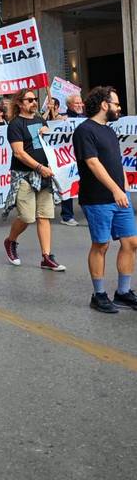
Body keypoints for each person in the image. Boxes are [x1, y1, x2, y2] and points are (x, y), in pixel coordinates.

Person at [72, 86, 137, 314]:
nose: (119, 108)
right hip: (98, 198)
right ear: (104, 105)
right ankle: (99, 295)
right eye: (116, 104)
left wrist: (124, 187)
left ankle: (123, 292)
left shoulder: (109, 130)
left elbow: (114, 161)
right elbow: (93, 163)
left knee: (131, 243)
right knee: (101, 244)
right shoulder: (84, 131)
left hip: (120, 196)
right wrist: (115, 190)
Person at [3, 90, 65, 271]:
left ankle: (46, 256)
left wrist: (50, 132)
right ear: (20, 103)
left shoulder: (40, 120)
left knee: (44, 216)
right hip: (25, 176)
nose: (34, 102)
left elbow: (49, 145)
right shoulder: (15, 124)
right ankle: (10, 241)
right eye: (30, 100)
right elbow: (19, 153)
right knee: (27, 217)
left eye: (35, 99)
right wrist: (39, 167)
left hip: (45, 174)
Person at [59, 93, 84, 227]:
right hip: (67, 158)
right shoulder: (63, 118)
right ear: (69, 105)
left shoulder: (85, 117)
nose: (80, 105)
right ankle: (67, 216)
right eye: (77, 103)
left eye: (81, 103)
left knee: (85, 185)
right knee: (68, 185)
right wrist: (58, 119)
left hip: (82, 156)